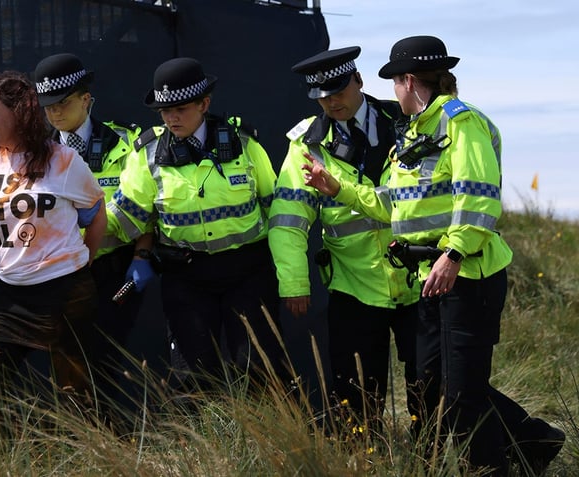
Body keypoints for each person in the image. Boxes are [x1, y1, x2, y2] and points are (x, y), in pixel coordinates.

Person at [303, 35, 564, 475]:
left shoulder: (461, 125)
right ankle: (532, 444)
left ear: (408, 81)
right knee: (435, 385)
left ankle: (494, 467)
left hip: (468, 276)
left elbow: (479, 198)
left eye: (394, 82)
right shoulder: (414, 133)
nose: (392, 93)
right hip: (431, 278)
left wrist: (454, 253)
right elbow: (394, 204)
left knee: (460, 398)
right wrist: (338, 188)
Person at [109, 57, 287, 396]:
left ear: (204, 104)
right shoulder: (146, 154)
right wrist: (71, 229)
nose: (171, 118)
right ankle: (199, 449)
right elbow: (124, 216)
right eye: (164, 111)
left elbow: (275, 208)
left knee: (259, 367)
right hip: (186, 275)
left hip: (247, 271)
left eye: (180, 108)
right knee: (191, 375)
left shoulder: (244, 144)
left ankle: (272, 444)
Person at [269, 46, 423, 436]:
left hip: (419, 280)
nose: (331, 101)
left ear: (359, 80)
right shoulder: (307, 143)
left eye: (338, 90)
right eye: (321, 95)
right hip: (355, 288)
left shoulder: (405, 122)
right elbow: (288, 220)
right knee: (355, 398)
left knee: (430, 385)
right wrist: (294, 283)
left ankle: (430, 461)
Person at [0, 70, 107, 428]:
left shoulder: (63, 160)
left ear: (20, 115)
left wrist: (82, 261)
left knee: (75, 397)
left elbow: (95, 213)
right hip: (8, 297)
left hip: (64, 295)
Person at [33, 53, 153, 408]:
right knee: (68, 366)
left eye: (63, 103)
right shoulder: (37, 154)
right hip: (60, 275)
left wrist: (142, 254)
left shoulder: (129, 143)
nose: (54, 113)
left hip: (113, 270)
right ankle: (82, 445)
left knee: (105, 362)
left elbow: (144, 208)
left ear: (86, 99)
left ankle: (110, 443)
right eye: (47, 106)